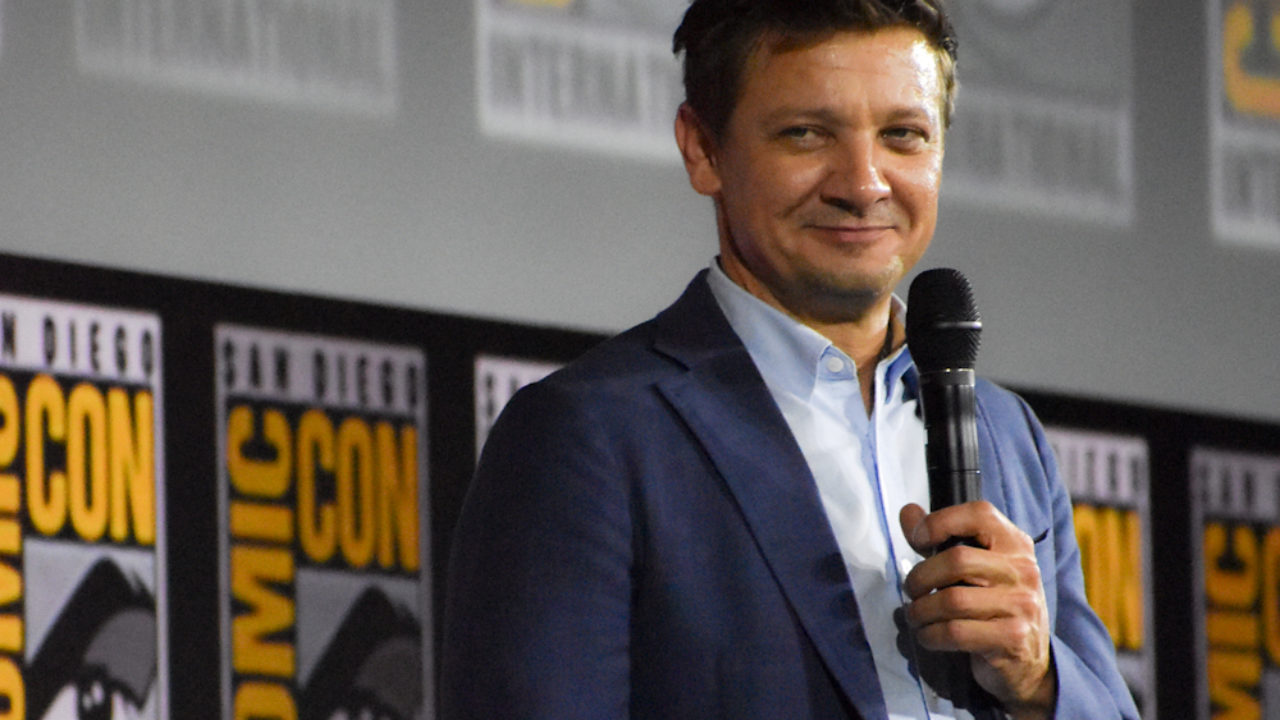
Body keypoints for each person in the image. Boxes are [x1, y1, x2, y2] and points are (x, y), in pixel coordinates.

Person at [441, 1, 1140, 719]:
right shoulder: (588, 434)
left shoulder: (1008, 433)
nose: (862, 185)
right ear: (703, 150)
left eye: (903, 135)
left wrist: (1039, 681)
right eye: (807, 133)